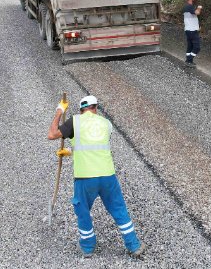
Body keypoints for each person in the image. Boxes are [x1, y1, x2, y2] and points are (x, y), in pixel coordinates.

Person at [47, 95, 144, 258]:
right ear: (95, 107)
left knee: (83, 211)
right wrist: (70, 152)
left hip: (85, 177)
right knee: (119, 209)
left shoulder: (75, 121)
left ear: (81, 109)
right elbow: (94, 147)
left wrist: (59, 111)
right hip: (107, 176)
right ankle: (134, 246)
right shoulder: (106, 124)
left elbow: (52, 134)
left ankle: (87, 248)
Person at [183, 0, 202, 67]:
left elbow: (192, 18)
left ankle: (188, 61)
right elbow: (197, 13)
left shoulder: (186, 7)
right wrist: (199, 8)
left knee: (190, 46)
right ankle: (189, 60)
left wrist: (198, 26)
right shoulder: (189, 6)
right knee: (197, 47)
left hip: (188, 29)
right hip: (192, 30)